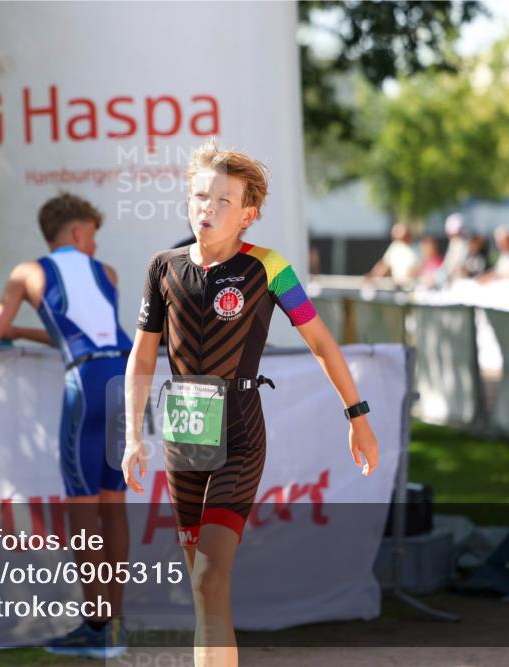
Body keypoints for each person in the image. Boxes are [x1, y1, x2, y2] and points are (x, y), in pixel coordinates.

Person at [122, 139, 379, 667]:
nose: (207, 209)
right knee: (200, 585)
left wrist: (357, 417)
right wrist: (131, 435)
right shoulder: (162, 267)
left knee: (213, 573)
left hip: (240, 428)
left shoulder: (269, 267)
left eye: (222, 201)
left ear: (247, 215)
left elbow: (323, 343)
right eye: (199, 197)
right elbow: (141, 357)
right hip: (183, 432)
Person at [0, 192, 130, 659]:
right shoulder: (107, 274)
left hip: (87, 381)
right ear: (77, 231)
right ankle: (112, 628)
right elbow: (94, 332)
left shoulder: (27, 273)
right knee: (114, 503)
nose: (94, 246)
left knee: (83, 506)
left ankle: (94, 629)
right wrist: (22, 333)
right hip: (124, 376)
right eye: (92, 235)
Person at [366, 222, 418, 287]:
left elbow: (417, 268)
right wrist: (372, 276)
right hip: (399, 287)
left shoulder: (416, 248)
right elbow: (384, 265)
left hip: (413, 286)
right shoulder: (395, 247)